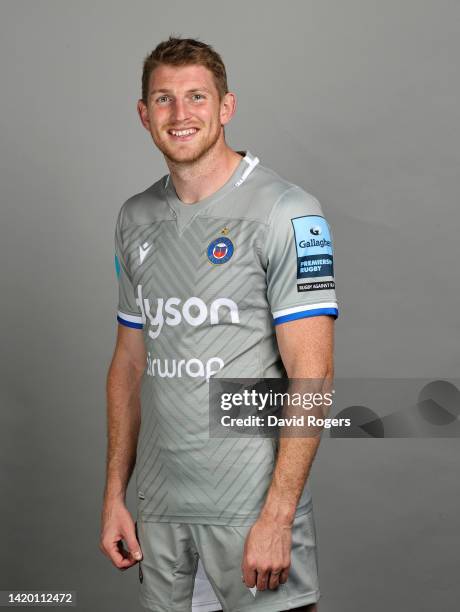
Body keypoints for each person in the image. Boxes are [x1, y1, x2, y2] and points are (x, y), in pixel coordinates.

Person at [99, 36, 338, 612]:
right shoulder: (136, 218)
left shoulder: (288, 211)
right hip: (160, 510)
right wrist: (115, 495)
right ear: (144, 114)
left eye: (196, 97)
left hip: (250, 512)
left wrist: (278, 517)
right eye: (163, 99)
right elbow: (129, 364)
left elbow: (314, 373)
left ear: (226, 107)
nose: (180, 115)